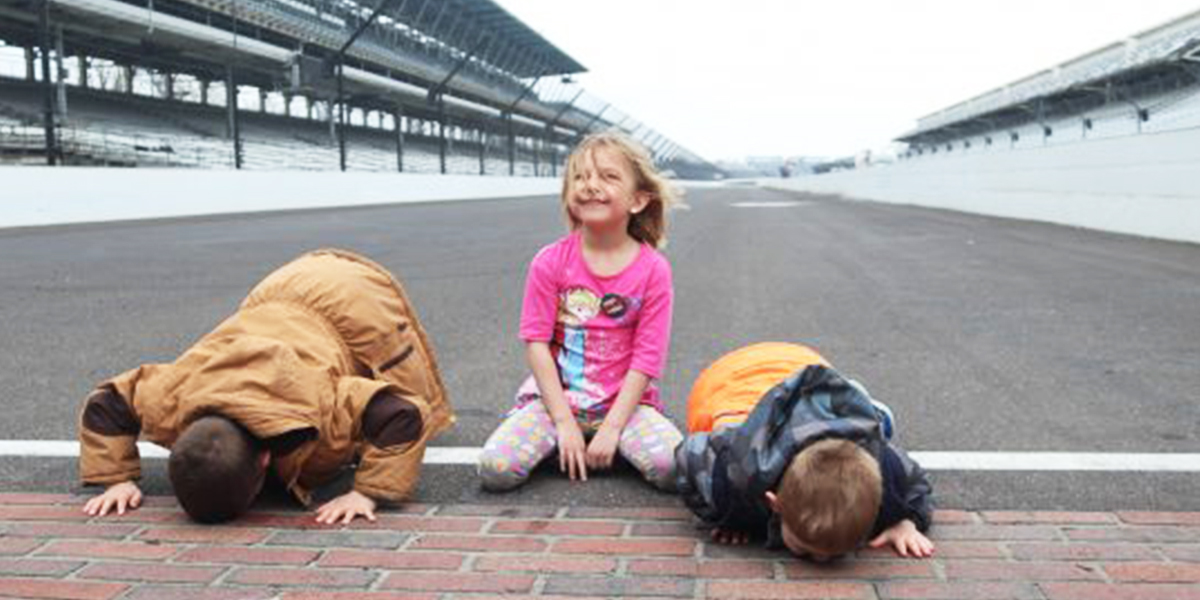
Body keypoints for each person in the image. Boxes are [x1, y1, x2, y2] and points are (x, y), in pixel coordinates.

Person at [78, 249, 454, 524]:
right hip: (274, 298)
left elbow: (404, 413)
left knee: (398, 372)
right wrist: (117, 480)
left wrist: (368, 493)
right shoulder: (170, 397)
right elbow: (107, 403)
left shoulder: (320, 404)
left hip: (353, 301)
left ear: (264, 460)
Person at [477, 131, 683, 491]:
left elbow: (647, 358)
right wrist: (562, 421)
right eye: (580, 177)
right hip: (555, 402)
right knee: (495, 469)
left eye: (608, 176)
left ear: (638, 200)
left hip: (625, 407)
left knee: (675, 469)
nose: (590, 185)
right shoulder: (550, 261)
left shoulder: (653, 269)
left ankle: (602, 443)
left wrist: (613, 427)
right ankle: (569, 442)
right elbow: (536, 344)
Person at [675, 342, 934, 561]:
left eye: (837, 554)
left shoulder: (884, 472)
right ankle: (868, 409)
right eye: (804, 549)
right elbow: (687, 454)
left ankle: (867, 408)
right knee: (713, 429)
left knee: (873, 430)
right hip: (730, 380)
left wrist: (903, 520)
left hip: (811, 375)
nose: (819, 561)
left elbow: (916, 484)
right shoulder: (737, 471)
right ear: (775, 503)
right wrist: (727, 514)